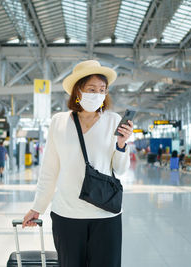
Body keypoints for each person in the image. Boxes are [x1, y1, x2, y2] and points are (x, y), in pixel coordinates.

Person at [22, 60, 132, 267]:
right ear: (78, 91)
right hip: (67, 214)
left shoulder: (113, 120)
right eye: (91, 89)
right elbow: (50, 169)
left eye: (102, 90)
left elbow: (120, 169)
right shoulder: (59, 122)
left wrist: (121, 144)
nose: (97, 94)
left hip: (105, 213)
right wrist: (38, 207)